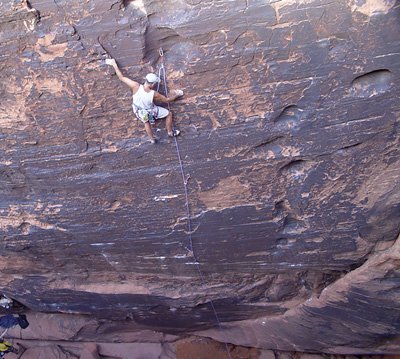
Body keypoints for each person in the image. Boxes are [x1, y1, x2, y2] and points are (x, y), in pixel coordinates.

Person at [105, 58, 184, 144]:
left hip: (138, 111)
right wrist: (178, 94)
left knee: (146, 122)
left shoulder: (135, 86)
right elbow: (167, 100)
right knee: (169, 114)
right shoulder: (153, 94)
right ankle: (170, 132)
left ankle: (151, 139)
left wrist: (114, 64)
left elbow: (121, 77)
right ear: (153, 84)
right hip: (150, 110)